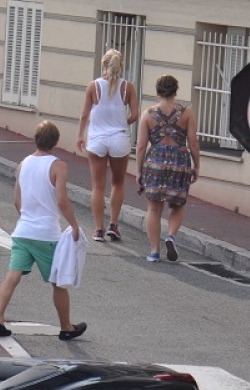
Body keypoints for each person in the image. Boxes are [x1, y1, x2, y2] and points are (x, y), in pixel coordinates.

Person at [0, 120, 86, 341]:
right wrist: (74, 225)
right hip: (46, 233)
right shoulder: (58, 166)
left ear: (36, 139)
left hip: (23, 230)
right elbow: (62, 200)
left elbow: (17, 201)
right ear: (55, 141)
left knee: (13, 276)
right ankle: (66, 326)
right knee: (58, 282)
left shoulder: (24, 164)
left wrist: (27, 218)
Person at [77, 49, 139, 243]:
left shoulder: (93, 87)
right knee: (118, 183)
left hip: (97, 139)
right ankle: (113, 225)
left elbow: (84, 115)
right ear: (120, 66)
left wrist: (80, 135)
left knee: (97, 186)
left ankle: (98, 229)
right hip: (119, 138)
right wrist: (122, 123)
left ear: (104, 64)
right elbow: (136, 114)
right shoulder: (127, 88)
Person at [136, 75, 200, 262]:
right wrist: (197, 165)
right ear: (175, 91)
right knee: (178, 203)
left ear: (157, 91)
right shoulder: (187, 113)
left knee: (154, 208)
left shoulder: (148, 114)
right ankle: (171, 235)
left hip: (155, 159)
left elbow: (140, 146)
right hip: (179, 159)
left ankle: (154, 251)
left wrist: (139, 171)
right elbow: (193, 143)